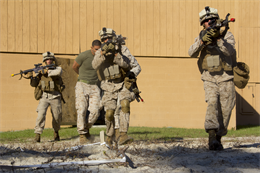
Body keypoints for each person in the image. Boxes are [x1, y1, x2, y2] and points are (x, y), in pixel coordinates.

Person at [188, 7, 236, 150]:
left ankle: (218, 138)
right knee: (212, 103)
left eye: (212, 20)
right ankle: (211, 138)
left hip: (226, 77)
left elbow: (230, 51)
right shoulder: (201, 35)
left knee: (226, 109)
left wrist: (219, 39)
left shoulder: (227, 35)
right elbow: (191, 52)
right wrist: (202, 42)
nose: (210, 22)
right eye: (206, 21)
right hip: (209, 77)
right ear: (203, 24)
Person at [92, 27, 133, 148]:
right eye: (104, 39)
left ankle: (123, 134)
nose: (107, 40)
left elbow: (127, 64)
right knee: (109, 113)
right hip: (108, 86)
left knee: (125, 104)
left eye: (109, 38)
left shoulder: (122, 49)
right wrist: (103, 54)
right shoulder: (100, 51)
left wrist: (116, 54)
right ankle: (110, 136)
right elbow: (94, 65)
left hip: (122, 84)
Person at [28, 52, 63, 143]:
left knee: (57, 116)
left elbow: (58, 72)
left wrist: (46, 71)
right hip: (44, 96)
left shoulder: (57, 68)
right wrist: (32, 77)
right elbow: (34, 84)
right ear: (44, 61)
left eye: (50, 59)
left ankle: (56, 132)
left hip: (55, 95)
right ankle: (37, 135)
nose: (49, 61)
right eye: (47, 59)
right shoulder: (40, 71)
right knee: (40, 115)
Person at [72, 40, 102, 144]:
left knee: (95, 111)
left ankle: (87, 128)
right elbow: (74, 66)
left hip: (94, 85)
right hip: (82, 84)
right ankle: (82, 134)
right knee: (82, 109)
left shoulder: (102, 57)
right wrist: (81, 76)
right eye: (96, 49)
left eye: (99, 49)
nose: (98, 51)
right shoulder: (84, 55)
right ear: (92, 47)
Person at [113, 47, 141, 146]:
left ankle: (123, 134)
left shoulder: (124, 52)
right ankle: (116, 133)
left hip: (124, 84)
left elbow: (137, 67)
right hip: (111, 85)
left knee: (124, 105)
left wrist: (130, 75)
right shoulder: (102, 53)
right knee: (114, 109)